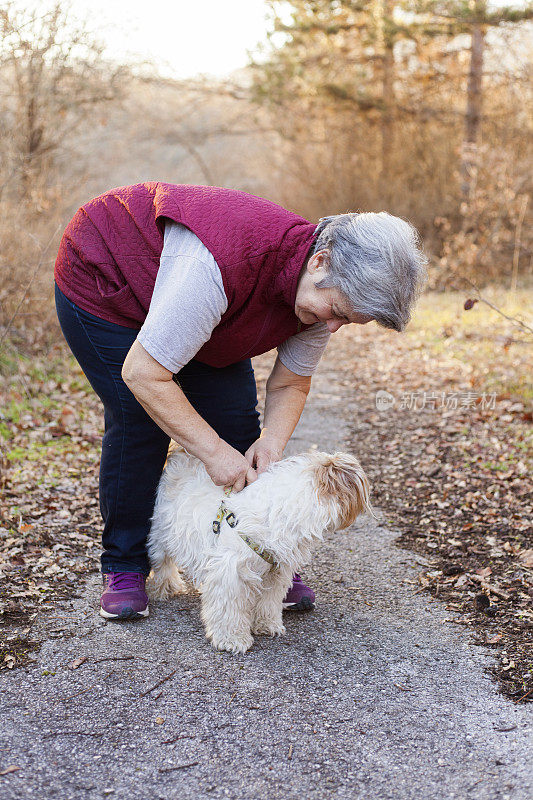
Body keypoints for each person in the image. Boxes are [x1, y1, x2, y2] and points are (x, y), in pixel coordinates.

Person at [54, 182, 427, 621]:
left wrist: (270, 444)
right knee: (142, 419)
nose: (333, 329)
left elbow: (289, 383)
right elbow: (146, 373)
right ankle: (125, 563)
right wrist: (211, 453)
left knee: (235, 421)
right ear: (321, 261)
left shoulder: (315, 302)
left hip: (209, 313)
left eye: (349, 321)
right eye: (339, 312)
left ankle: (258, 557)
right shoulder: (218, 263)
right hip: (107, 281)